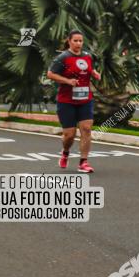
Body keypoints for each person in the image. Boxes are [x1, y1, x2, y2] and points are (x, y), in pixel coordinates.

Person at [47, 29, 101, 173]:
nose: (78, 43)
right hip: (67, 101)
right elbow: (50, 74)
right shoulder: (63, 58)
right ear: (69, 41)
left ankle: (83, 162)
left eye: (80, 41)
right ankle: (65, 152)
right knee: (69, 135)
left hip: (85, 99)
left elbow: (89, 69)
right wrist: (68, 81)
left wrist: (94, 73)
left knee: (86, 129)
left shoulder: (88, 56)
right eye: (75, 40)